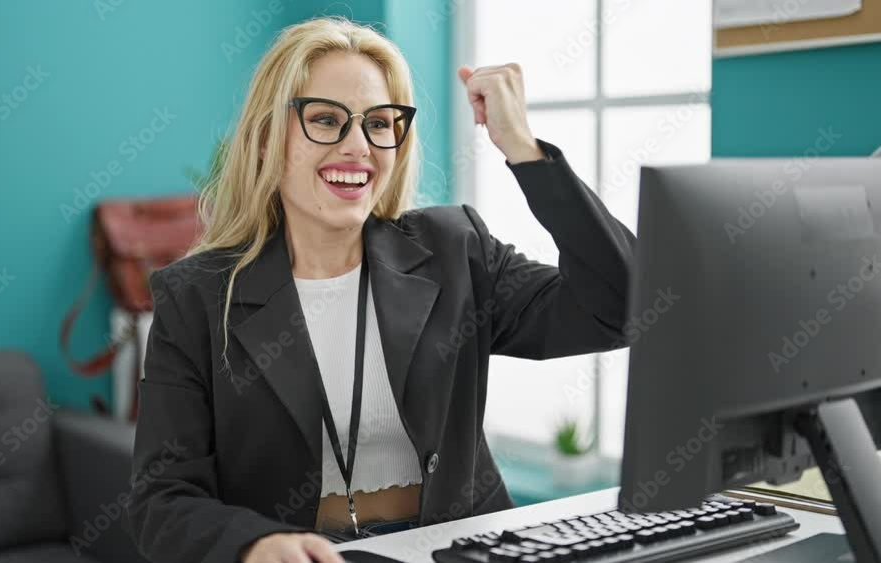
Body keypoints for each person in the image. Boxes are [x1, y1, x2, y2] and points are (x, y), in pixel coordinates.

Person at [122, 16, 635, 563]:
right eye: (325, 119)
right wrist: (254, 545)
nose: (357, 147)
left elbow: (622, 308)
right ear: (269, 137)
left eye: (379, 123)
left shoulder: (455, 251)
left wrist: (525, 151)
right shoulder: (196, 297)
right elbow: (161, 501)